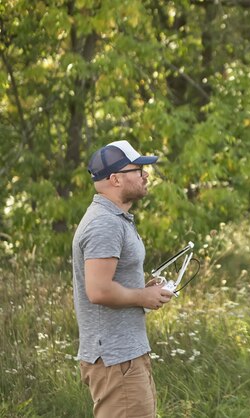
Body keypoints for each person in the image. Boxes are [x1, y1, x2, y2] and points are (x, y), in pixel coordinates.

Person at [72, 140, 173, 417]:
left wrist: (144, 290)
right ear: (115, 179)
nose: (145, 174)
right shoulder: (104, 223)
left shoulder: (116, 218)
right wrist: (143, 296)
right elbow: (99, 291)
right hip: (116, 359)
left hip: (126, 354)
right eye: (138, 169)